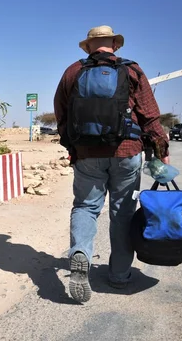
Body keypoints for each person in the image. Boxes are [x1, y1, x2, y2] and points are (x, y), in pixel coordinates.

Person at [53, 25, 169, 303]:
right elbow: (150, 115)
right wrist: (161, 149)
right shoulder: (132, 70)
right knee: (123, 213)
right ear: (114, 45)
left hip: (88, 154)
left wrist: (73, 147)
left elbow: (62, 114)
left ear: (90, 46)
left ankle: (80, 252)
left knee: (85, 207)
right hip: (127, 151)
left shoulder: (73, 71)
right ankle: (119, 275)